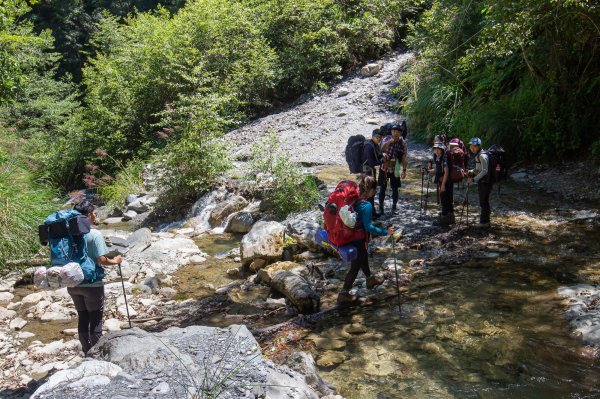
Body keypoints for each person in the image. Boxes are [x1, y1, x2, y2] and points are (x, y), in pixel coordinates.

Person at [70, 200, 122, 354]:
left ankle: (87, 351)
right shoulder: (95, 234)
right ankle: (97, 352)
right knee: (95, 318)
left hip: (73, 283)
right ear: (87, 216)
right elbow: (101, 259)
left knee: (83, 316)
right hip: (92, 284)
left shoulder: (69, 235)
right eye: (93, 213)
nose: (95, 215)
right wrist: (115, 261)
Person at [338, 175, 394, 305]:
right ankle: (343, 293)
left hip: (351, 237)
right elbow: (368, 227)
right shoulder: (367, 205)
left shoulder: (354, 200)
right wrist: (386, 232)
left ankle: (370, 279)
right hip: (358, 239)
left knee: (363, 257)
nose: (376, 192)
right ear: (370, 190)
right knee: (355, 267)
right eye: (375, 189)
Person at [379, 123, 407, 215]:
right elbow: (381, 150)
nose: (395, 133)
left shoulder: (402, 143)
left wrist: (404, 170)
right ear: (391, 131)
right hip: (385, 167)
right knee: (383, 188)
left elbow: (404, 157)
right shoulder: (386, 138)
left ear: (400, 133)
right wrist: (390, 142)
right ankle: (381, 207)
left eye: (397, 131)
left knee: (395, 188)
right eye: (394, 131)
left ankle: (394, 207)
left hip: (396, 167)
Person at [427, 142, 454, 225]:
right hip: (441, 180)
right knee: (446, 198)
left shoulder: (444, 158)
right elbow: (438, 169)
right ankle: (449, 217)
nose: (436, 151)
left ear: (442, 149)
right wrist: (428, 171)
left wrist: (443, 185)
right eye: (435, 149)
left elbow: (446, 172)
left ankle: (444, 217)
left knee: (445, 198)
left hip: (446, 181)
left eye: (438, 149)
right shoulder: (437, 157)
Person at [467, 137, 492, 227]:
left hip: (486, 181)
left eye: (474, 146)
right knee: (484, 200)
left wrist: (474, 179)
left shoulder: (482, 155)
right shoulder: (479, 154)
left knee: (483, 201)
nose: (472, 148)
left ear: (479, 146)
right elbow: (479, 168)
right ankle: (486, 220)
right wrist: (472, 171)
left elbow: (485, 171)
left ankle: (484, 222)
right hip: (483, 181)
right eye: (471, 146)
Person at [363, 129, 383, 218]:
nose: (378, 139)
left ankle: (372, 213)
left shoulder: (375, 145)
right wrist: (381, 161)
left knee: (371, 192)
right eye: (377, 137)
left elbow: (377, 156)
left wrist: (382, 156)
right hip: (367, 172)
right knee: (370, 192)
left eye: (380, 137)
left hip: (371, 171)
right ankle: (371, 214)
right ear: (372, 137)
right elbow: (372, 163)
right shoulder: (369, 147)